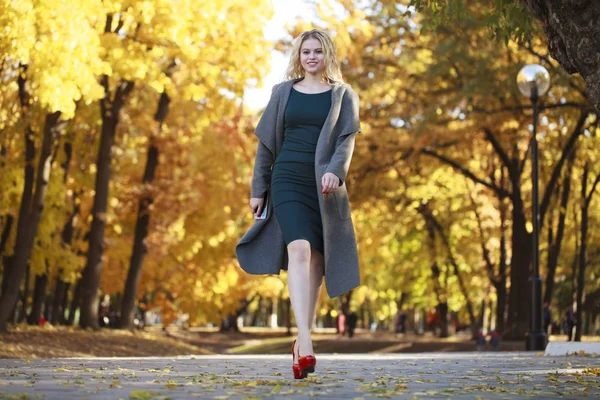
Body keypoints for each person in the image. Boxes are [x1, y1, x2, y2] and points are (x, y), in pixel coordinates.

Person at [235, 28, 361, 379]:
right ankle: (305, 341)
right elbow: (266, 145)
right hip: (286, 178)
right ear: (298, 55)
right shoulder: (282, 93)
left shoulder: (343, 95)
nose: (311, 56)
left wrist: (336, 172)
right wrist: (258, 188)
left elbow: (345, 143)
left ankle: (300, 343)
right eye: (306, 51)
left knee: (318, 261)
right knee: (300, 250)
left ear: (327, 56)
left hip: (322, 187)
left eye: (318, 51)